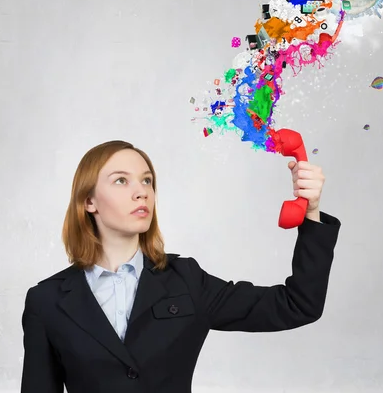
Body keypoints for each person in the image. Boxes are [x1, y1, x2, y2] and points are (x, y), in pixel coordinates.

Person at [20, 139, 341, 393]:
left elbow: (298, 305)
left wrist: (310, 212)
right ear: (89, 201)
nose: (140, 192)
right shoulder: (46, 300)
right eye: (121, 180)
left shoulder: (186, 280)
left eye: (147, 181)